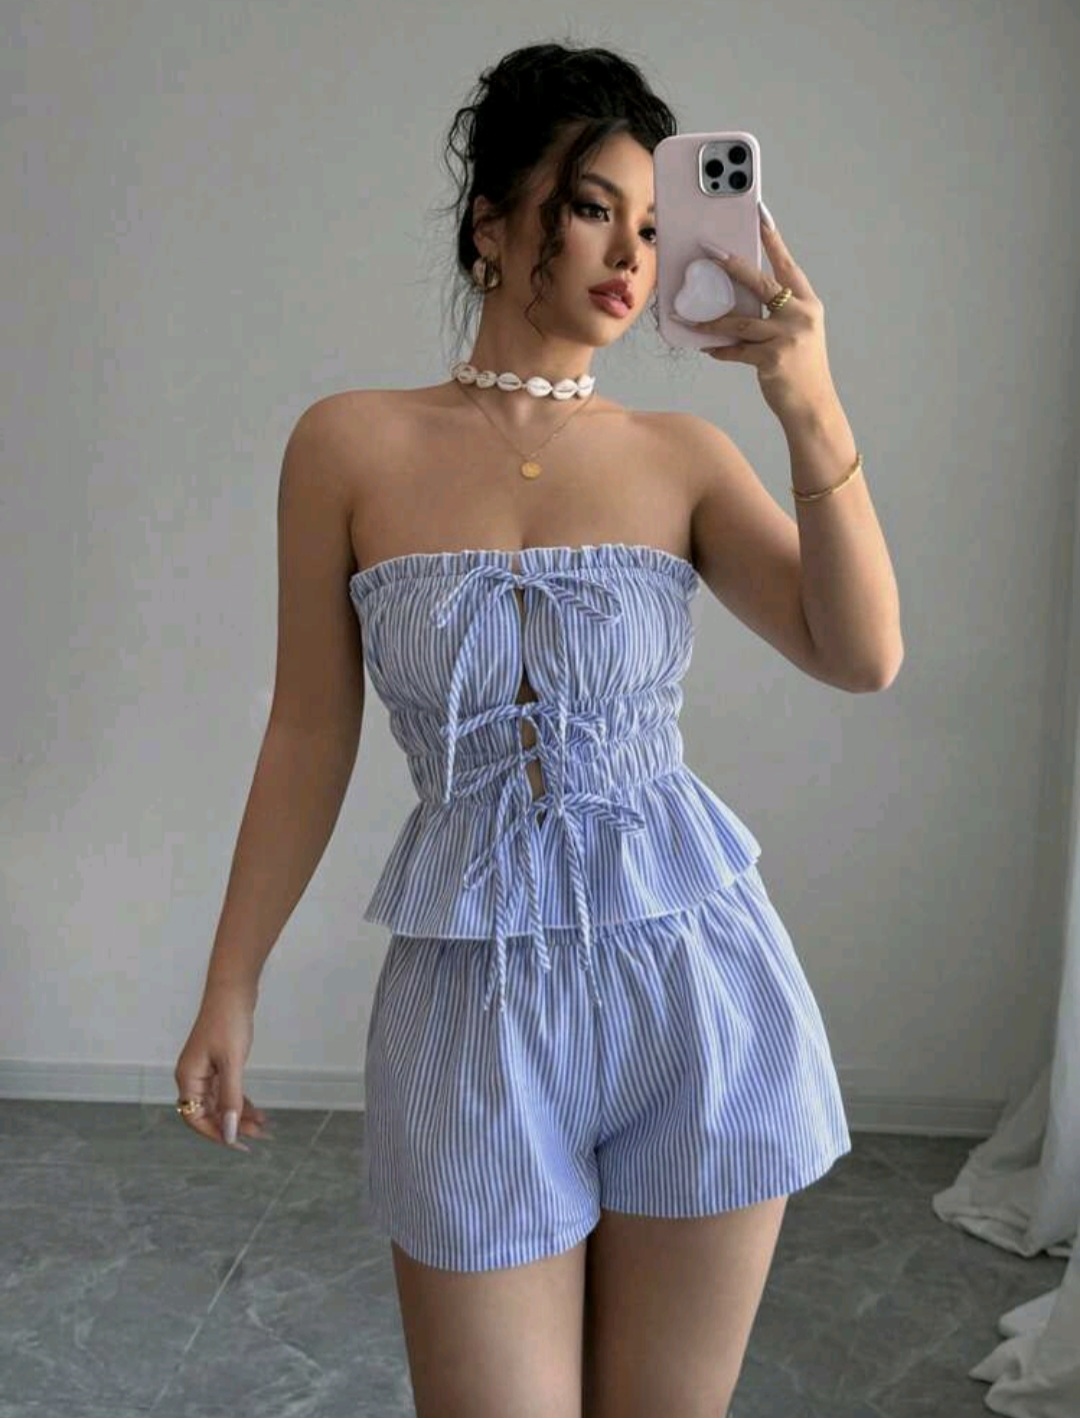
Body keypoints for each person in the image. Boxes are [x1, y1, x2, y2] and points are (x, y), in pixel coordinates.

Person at [174, 39, 902, 1418]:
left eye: (653, 224)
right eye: (589, 207)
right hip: (472, 1009)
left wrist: (807, 401)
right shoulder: (347, 446)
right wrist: (231, 982)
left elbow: (862, 654)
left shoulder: (683, 459)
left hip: (694, 985)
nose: (630, 254)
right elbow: (309, 733)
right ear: (492, 226)